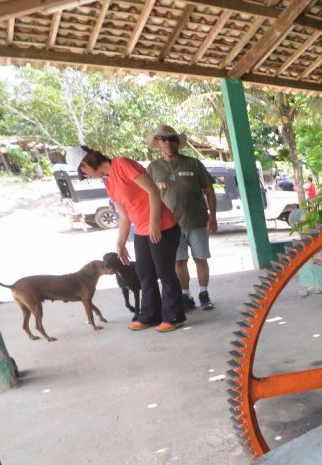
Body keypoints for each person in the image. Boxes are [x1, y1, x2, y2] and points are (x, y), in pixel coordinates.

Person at [66, 145, 185, 332]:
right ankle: (150, 316)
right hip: (141, 231)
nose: (86, 175)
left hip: (163, 227)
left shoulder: (122, 164)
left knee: (164, 272)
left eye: (84, 171)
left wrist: (154, 222)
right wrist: (120, 243)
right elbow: (124, 216)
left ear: (87, 161)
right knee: (145, 274)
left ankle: (174, 317)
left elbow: (153, 191)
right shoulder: (109, 183)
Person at [146, 125, 218, 312]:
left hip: (197, 221)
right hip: (170, 226)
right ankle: (185, 295)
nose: (168, 143)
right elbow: (147, 196)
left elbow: (209, 191)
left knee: (200, 258)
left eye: (171, 139)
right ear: (157, 143)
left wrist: (213, 217)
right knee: (179, 262)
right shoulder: (153, 168)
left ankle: (204, 294)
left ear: (178, 142)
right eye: (163, 139)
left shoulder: (194, 164)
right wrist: (152, 223)